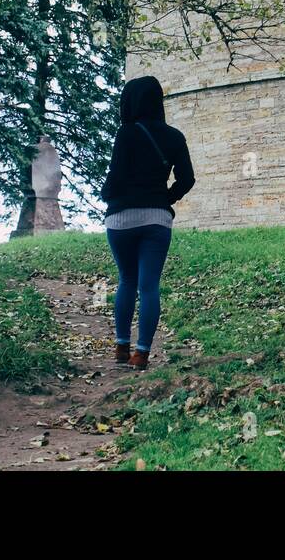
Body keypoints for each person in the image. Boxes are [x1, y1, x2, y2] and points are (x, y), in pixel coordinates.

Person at [100, 75, 194, 370]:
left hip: (121, 218)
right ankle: (141, 354)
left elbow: (115, 175)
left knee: (126, 280)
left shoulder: (125, 133)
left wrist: (109, 196)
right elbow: (187, 179)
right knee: (149, 285)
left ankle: (120, 347)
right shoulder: (175, 137)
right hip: (156, 218)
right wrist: (166, 198)